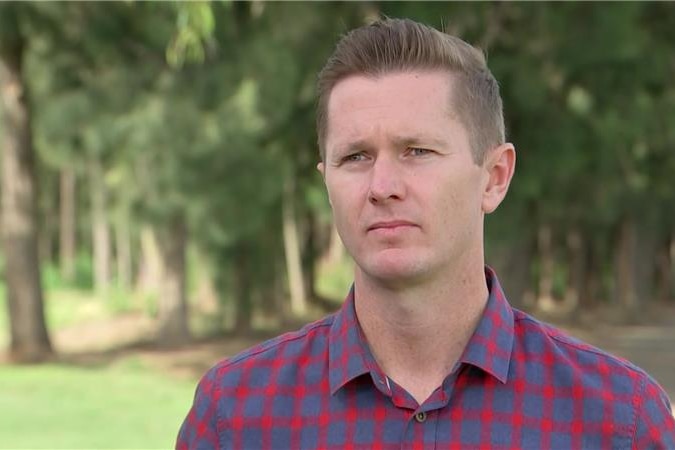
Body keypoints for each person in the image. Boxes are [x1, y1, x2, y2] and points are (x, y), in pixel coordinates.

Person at [177, 18, 675, 449]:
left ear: (495, 177)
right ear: (325, 179)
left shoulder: (620, 421)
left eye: (417, 151)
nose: (383, 187)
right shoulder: (236, 417)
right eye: (355, 157)